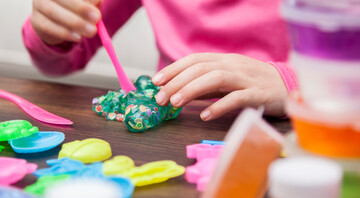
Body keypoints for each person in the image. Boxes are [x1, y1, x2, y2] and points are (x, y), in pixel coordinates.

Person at [23, 0, 298, 121]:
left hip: (302, 128)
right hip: (176, 126)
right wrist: (52, 27)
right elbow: (62, 60)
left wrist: (296, 84)